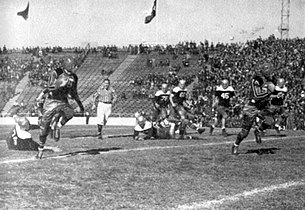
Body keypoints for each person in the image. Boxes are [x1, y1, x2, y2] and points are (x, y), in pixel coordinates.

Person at [36, 67, 84, 159]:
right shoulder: (57, 72)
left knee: (70, 113)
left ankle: (57, 126)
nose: (73, 68)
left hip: (63, 100)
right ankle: (40, 150)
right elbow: (50, 87)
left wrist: (80, 105)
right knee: (44, 128)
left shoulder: (74, 77)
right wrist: (59, 85)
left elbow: (74, 92)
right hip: (51, 101)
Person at [232, 63, 275, 155]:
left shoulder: (269, 80)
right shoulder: (256, 79)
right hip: (252, 106)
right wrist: (268, 91)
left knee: (270, 121)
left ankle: (258, 130)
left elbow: (268, 93)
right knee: (244, 132)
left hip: (262, 106)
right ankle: (236, 145)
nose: (269, 73)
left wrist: (271, 94)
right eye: (268, 71)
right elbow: (256, 95)